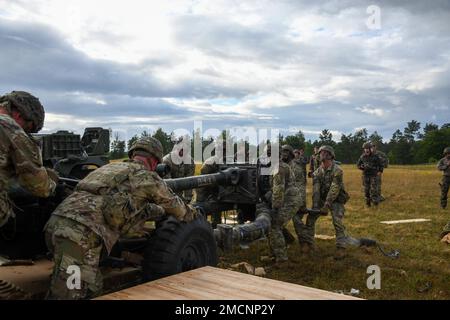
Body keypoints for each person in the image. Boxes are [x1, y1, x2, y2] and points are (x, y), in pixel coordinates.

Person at [44, 137, 196, 299]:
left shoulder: (108, 169)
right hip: (79, 237)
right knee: (70, 294)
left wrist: (155, 211)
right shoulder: (148, 177)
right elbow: (178, 208)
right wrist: (193, 214)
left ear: (133, 154)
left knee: (92, 288)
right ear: (154, 161)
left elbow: (120, 204)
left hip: (56, 226)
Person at [0, 91, 56, 227]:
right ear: (19, 114)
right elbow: (40, 187)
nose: (26, 133)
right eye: (28, 129)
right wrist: (53, 182)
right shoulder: (9, 127)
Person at [311, 146, 359, 256]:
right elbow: (316, 191)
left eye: (324, 152)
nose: (321, 154)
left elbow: (335, 188)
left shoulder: (338, 170)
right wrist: (315, 205)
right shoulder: (317, 172)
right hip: (323, 200)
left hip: (336, 200)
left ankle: (341, 247)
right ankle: (308, 244)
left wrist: (327, 205)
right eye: (320, 153)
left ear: (330, 155)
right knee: (310, 219)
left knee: (337, 221)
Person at [265, 145, 300, 263]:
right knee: (272, 224)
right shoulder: (277, 166)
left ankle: (282, 260)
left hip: (290, 201)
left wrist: (275, 207)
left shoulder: (278, 168)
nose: (268, 155)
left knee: (275, 225)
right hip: (287, 200)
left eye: (270, 153)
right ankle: (274, 254)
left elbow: (279, 190)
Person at [291, 148, 313, 252]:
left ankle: (305, 242)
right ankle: (288, 240)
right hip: (282, 198)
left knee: (296, 219)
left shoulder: (298, 165)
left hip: (295, 198)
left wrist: (302, 202)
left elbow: (300, 186)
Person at [357, 142, 384, 207]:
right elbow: (358, 165)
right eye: (365, 148)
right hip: (365, 175)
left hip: (374, 176)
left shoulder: (376, 156)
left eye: (367, 148)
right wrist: (362, 168)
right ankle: (368, 204)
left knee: (374, 191)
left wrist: (379, 172)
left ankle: (375, 205)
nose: (366, 150)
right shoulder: (362, 156)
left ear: (370, 149)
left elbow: (381, 165)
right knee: (366, 190)